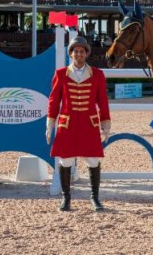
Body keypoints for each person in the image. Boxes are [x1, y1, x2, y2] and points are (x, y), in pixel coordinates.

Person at [45, 36, 111, 212]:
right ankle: (66, 198)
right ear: (71, 54)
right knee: (65, 161)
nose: (79, 54)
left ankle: (95, 198)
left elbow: (102, 102)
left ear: (86, 54)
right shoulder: (60, 74)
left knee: (93, 160)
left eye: (82, 51)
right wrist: (50, 124)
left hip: (89, 124)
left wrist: (105, 125)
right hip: (68, 124)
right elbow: (53, 100)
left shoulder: (97, 74)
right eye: (76, 51)